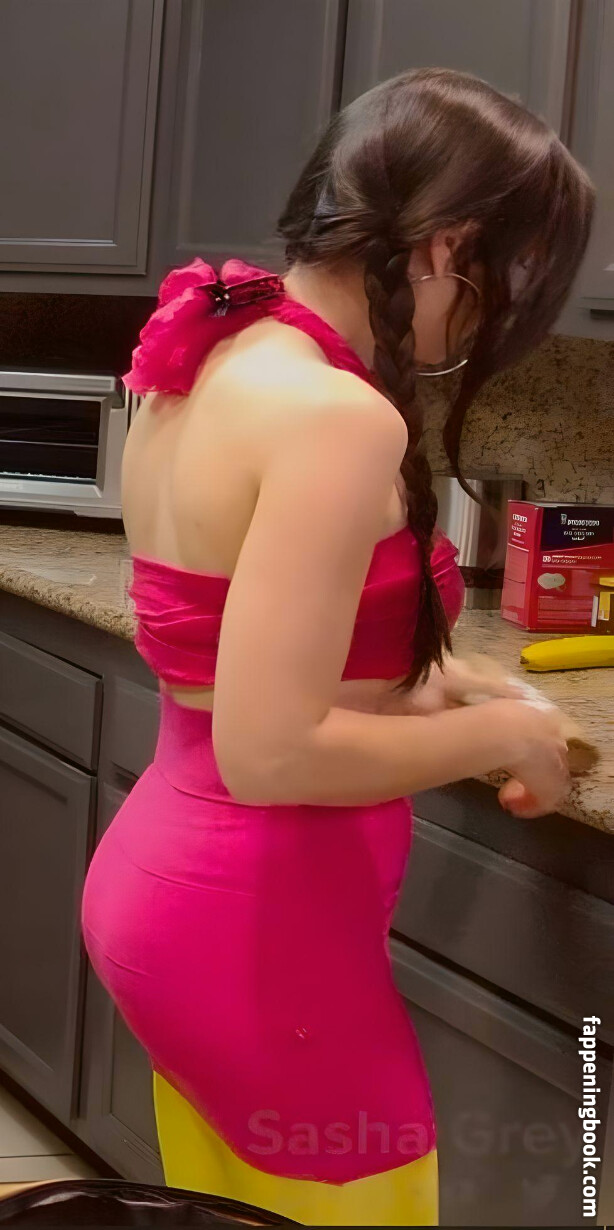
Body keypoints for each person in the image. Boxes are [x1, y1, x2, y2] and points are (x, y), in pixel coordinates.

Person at [81, 68, 594, 1226]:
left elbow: (243, 639)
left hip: (178, 900)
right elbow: (273, 752)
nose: (497, 314)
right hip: (263, 932)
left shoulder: (224, 332)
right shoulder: (332, 416)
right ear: (446, 247)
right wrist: (502, 731)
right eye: (509, 274)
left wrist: (445, 682)